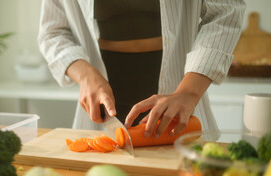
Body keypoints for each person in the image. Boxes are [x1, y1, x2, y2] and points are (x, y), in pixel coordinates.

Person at [38, 0, 246, 138]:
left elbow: (226, 12)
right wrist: (84, 75)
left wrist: (188, 92)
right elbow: (53, 33)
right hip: (102, 107)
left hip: (178, 100)